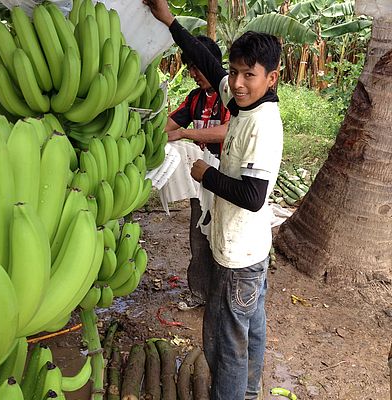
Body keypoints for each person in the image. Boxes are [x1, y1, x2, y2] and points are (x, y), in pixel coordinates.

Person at [144, 0, 283, 399]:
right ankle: (249, 394)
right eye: (236, 73)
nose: (237, 83)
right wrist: (169, 20)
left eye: (249, 76)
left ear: (271, 78)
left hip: (237, 258)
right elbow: (208, 61)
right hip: (250, 250)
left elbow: (253, 196)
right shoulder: (243, 103)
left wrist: (207, 174)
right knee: (250, 331)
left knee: (225, 344)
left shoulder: (262, 126)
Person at [165, 36, 230, 305]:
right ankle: (201, 293)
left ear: (211, 63)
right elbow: (169, 125)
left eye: (196, 67)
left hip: (228, 178)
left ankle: (225, 296)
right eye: (190, 68)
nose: (193, 74)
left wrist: (186, 132)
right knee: (199, 236)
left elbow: (229, 130)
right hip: (201, 178)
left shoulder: (231, 95)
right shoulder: (195, 98)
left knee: (225, 238)